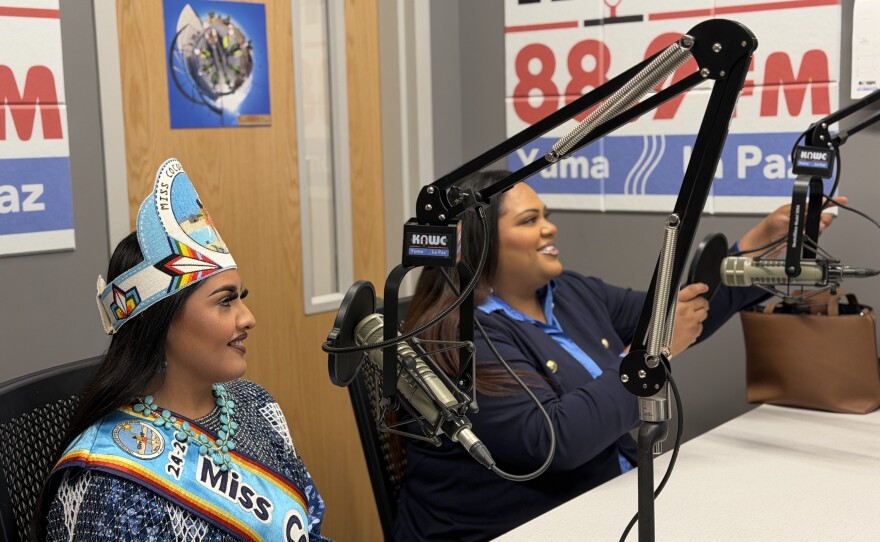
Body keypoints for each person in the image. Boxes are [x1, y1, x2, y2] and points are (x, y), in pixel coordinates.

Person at [392, 170, 844, 541]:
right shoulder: (457, 339)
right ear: (477, 241)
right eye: (530, 220)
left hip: (605, 498)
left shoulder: (568, 292)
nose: (550, 228)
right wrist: (653, 351)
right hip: (517, 526)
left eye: (546, 216)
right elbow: (552, 441)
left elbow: (677, 314)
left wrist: (757, 246)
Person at [35, 158, 331, 542]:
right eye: (225, 301)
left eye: (241, 298)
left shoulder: (257, 404)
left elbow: (310, 527)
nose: (248, 318)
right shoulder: (108, 481)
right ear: (161, 321)